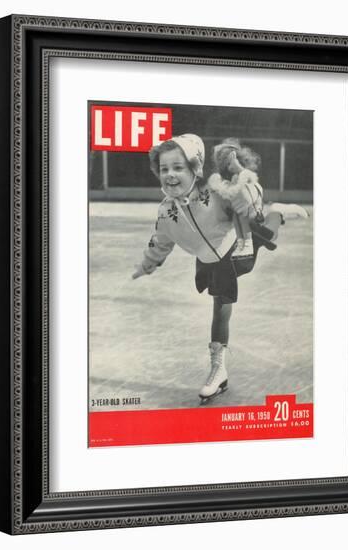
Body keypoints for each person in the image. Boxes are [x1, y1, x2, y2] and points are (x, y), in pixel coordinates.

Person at [132, 134, 308, 403]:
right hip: (208, 261)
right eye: (164, 169)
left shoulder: (214, 192)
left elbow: (250, 189)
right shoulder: (165, 212)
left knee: (268, 236)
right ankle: (219, 368)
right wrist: (148, 263)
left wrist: (247, 196)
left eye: (178, 167)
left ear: (196, 168)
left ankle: (278, 212)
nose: (170, 174)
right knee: (221, 308)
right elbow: (161, 242)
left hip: (237, 248)